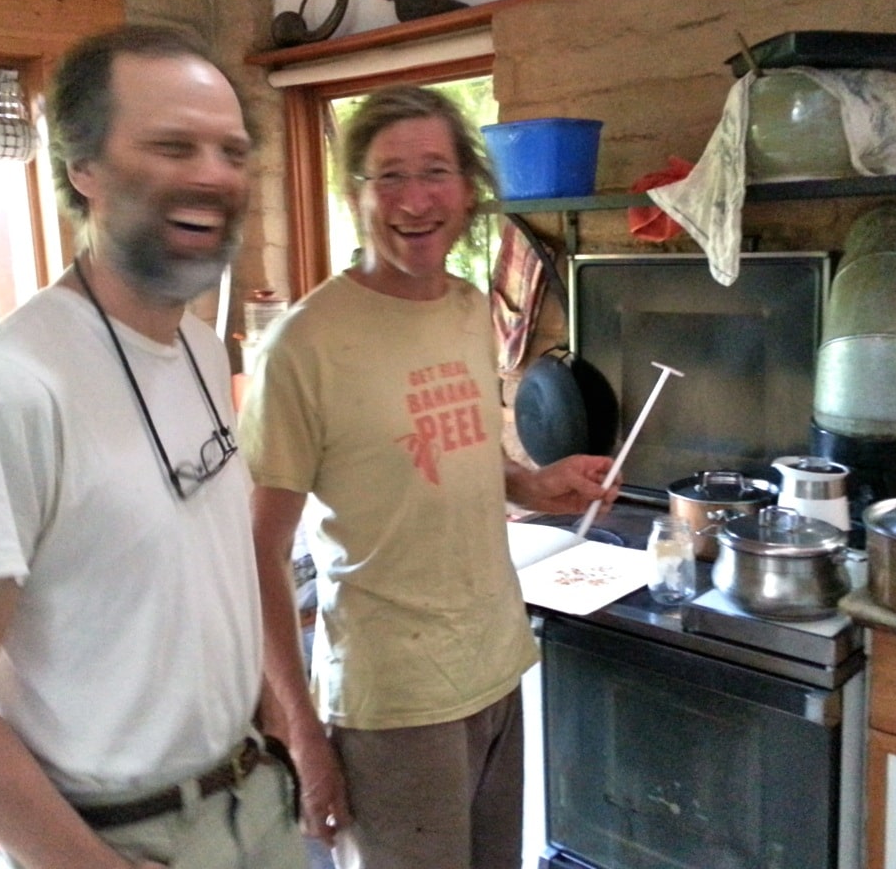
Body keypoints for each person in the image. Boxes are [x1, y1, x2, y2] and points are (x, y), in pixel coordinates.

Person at [0, 25, 306, 869]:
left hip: (253, 802)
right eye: (172, 146)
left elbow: (204, 565)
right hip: (121, 836)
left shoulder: (194, 345)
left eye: (231, 151)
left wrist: (274, 717)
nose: (213, 175)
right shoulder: (2, 394)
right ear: (84, 169)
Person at [241, 84, 620, 869]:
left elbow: (455, 450)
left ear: (470, 189)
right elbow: (258, 557)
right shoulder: (303, 347)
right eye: (389, 177)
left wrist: (532, 482)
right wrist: (304, 736)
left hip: (492, 667)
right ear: (355, 195)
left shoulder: (465, 306)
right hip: (392, 702)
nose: (416, 200)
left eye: (436, 172)